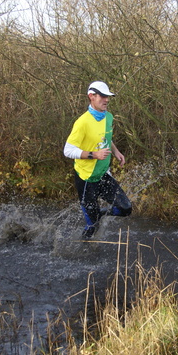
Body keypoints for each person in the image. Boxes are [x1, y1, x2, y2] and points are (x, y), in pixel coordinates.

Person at [63, 81, 132, 239]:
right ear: (91, 96)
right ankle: (82, 252)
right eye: (102, 96)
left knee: (125, 209)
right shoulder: (82, 123)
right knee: (92, 226)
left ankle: (100, 214)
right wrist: (94, 155)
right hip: (86, 179)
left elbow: (106, 138)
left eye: (107, 96)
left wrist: (116, 152)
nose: (106, 100)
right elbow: (67, 150)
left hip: (102, 176)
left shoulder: (108, 116)